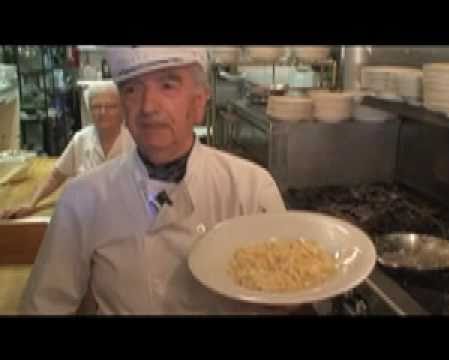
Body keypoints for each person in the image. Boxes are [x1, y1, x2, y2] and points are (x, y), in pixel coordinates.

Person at [19, 47, 287, 315]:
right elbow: (43, 307)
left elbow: (284, 288)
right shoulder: (82, 199)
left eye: (168, 85)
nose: (147, 106)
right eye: (132, 90)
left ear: (198, 103)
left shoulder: (251, 189)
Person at [0, 83, 134, 220]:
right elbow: (56, 176)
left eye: (111, 106)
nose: (102, 112)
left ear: (122, 110)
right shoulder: (81, 139)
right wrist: (31, 203)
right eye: (96, 107)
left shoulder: (136, 142)